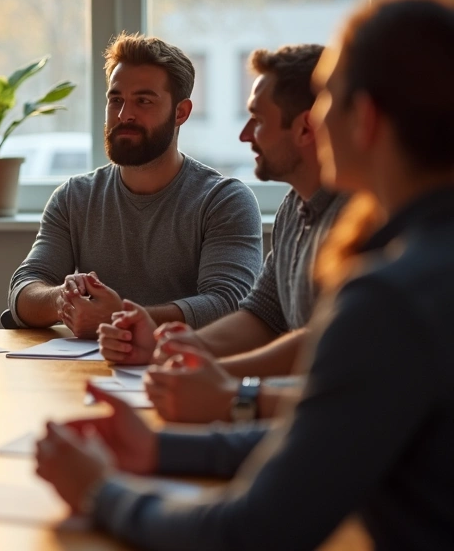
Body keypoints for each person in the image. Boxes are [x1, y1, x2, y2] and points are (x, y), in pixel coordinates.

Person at [33, 0, 454, 549]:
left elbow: (249, 531)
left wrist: (100, 492)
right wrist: (160, 447)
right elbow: (334, 432)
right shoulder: (416, 263)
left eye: (328, 100)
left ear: (367, 119)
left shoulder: (390, 297)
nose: (317, 121)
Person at [98, 44, 350, 423]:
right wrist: (182, 347)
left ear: (305, 128)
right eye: (116, 99)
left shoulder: (358, 217)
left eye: (257, 120)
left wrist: (219, 379)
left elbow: (326, 341)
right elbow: (263, 314)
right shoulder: (295, 207)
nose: (245, 135)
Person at [8, 34, 263, 339]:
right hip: (89, 364)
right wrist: (61, 299)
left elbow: (230, 304)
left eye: (143, 101)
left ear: (181, 112)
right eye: (116, 100)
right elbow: (23, 291)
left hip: (184, 364)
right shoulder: (74, 198)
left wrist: (119, 317)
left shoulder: (224, 200)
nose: (123, 114)